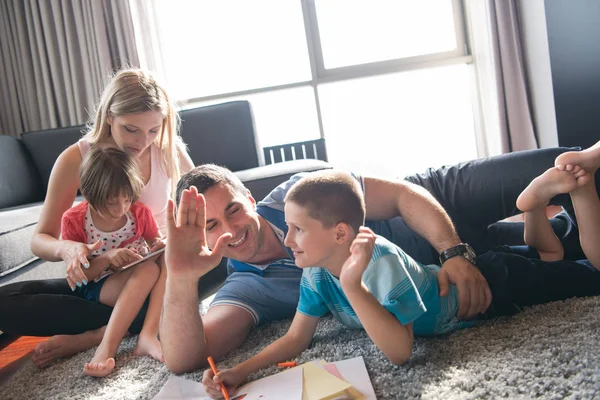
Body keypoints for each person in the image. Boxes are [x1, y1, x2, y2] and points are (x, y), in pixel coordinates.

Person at [160, 145, 600, 374]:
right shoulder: (246, 287)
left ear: (251, 199)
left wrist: (455, 252)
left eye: (233, 210)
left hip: (437, 206)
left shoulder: (298, 194)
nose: (231, 230)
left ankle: (551, 194)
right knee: (565, 252)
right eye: (211, 225)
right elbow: (186, 357)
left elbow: (406, 195)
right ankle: (541, 214)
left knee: (564, 165)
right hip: (439, 276)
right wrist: (179, 277)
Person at [0, 67, 194, 368]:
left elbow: (204, 212)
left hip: (161, 272)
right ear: (109, 117)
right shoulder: (77, 158)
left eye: (153, 130)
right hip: (103, 278)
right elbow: (41, 240)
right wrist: (69, 248)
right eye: (131, 129)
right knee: (4, 302)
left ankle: (96, 336)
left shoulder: (169, 152)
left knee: (206, 265)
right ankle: (137, 322)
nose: (143, 141)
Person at [62, 146, 165, 376]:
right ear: (90, 194)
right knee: (148, 272)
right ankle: (106, 347)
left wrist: (159, 246)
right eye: (111, 202)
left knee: (162, 264)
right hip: (99, 285)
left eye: (127, 199)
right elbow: (79, 279)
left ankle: (136, 334)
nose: (121, 209)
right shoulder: (75, 220)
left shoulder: (138, 213)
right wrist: (107, 258)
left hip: (138, 277)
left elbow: (156, 241)